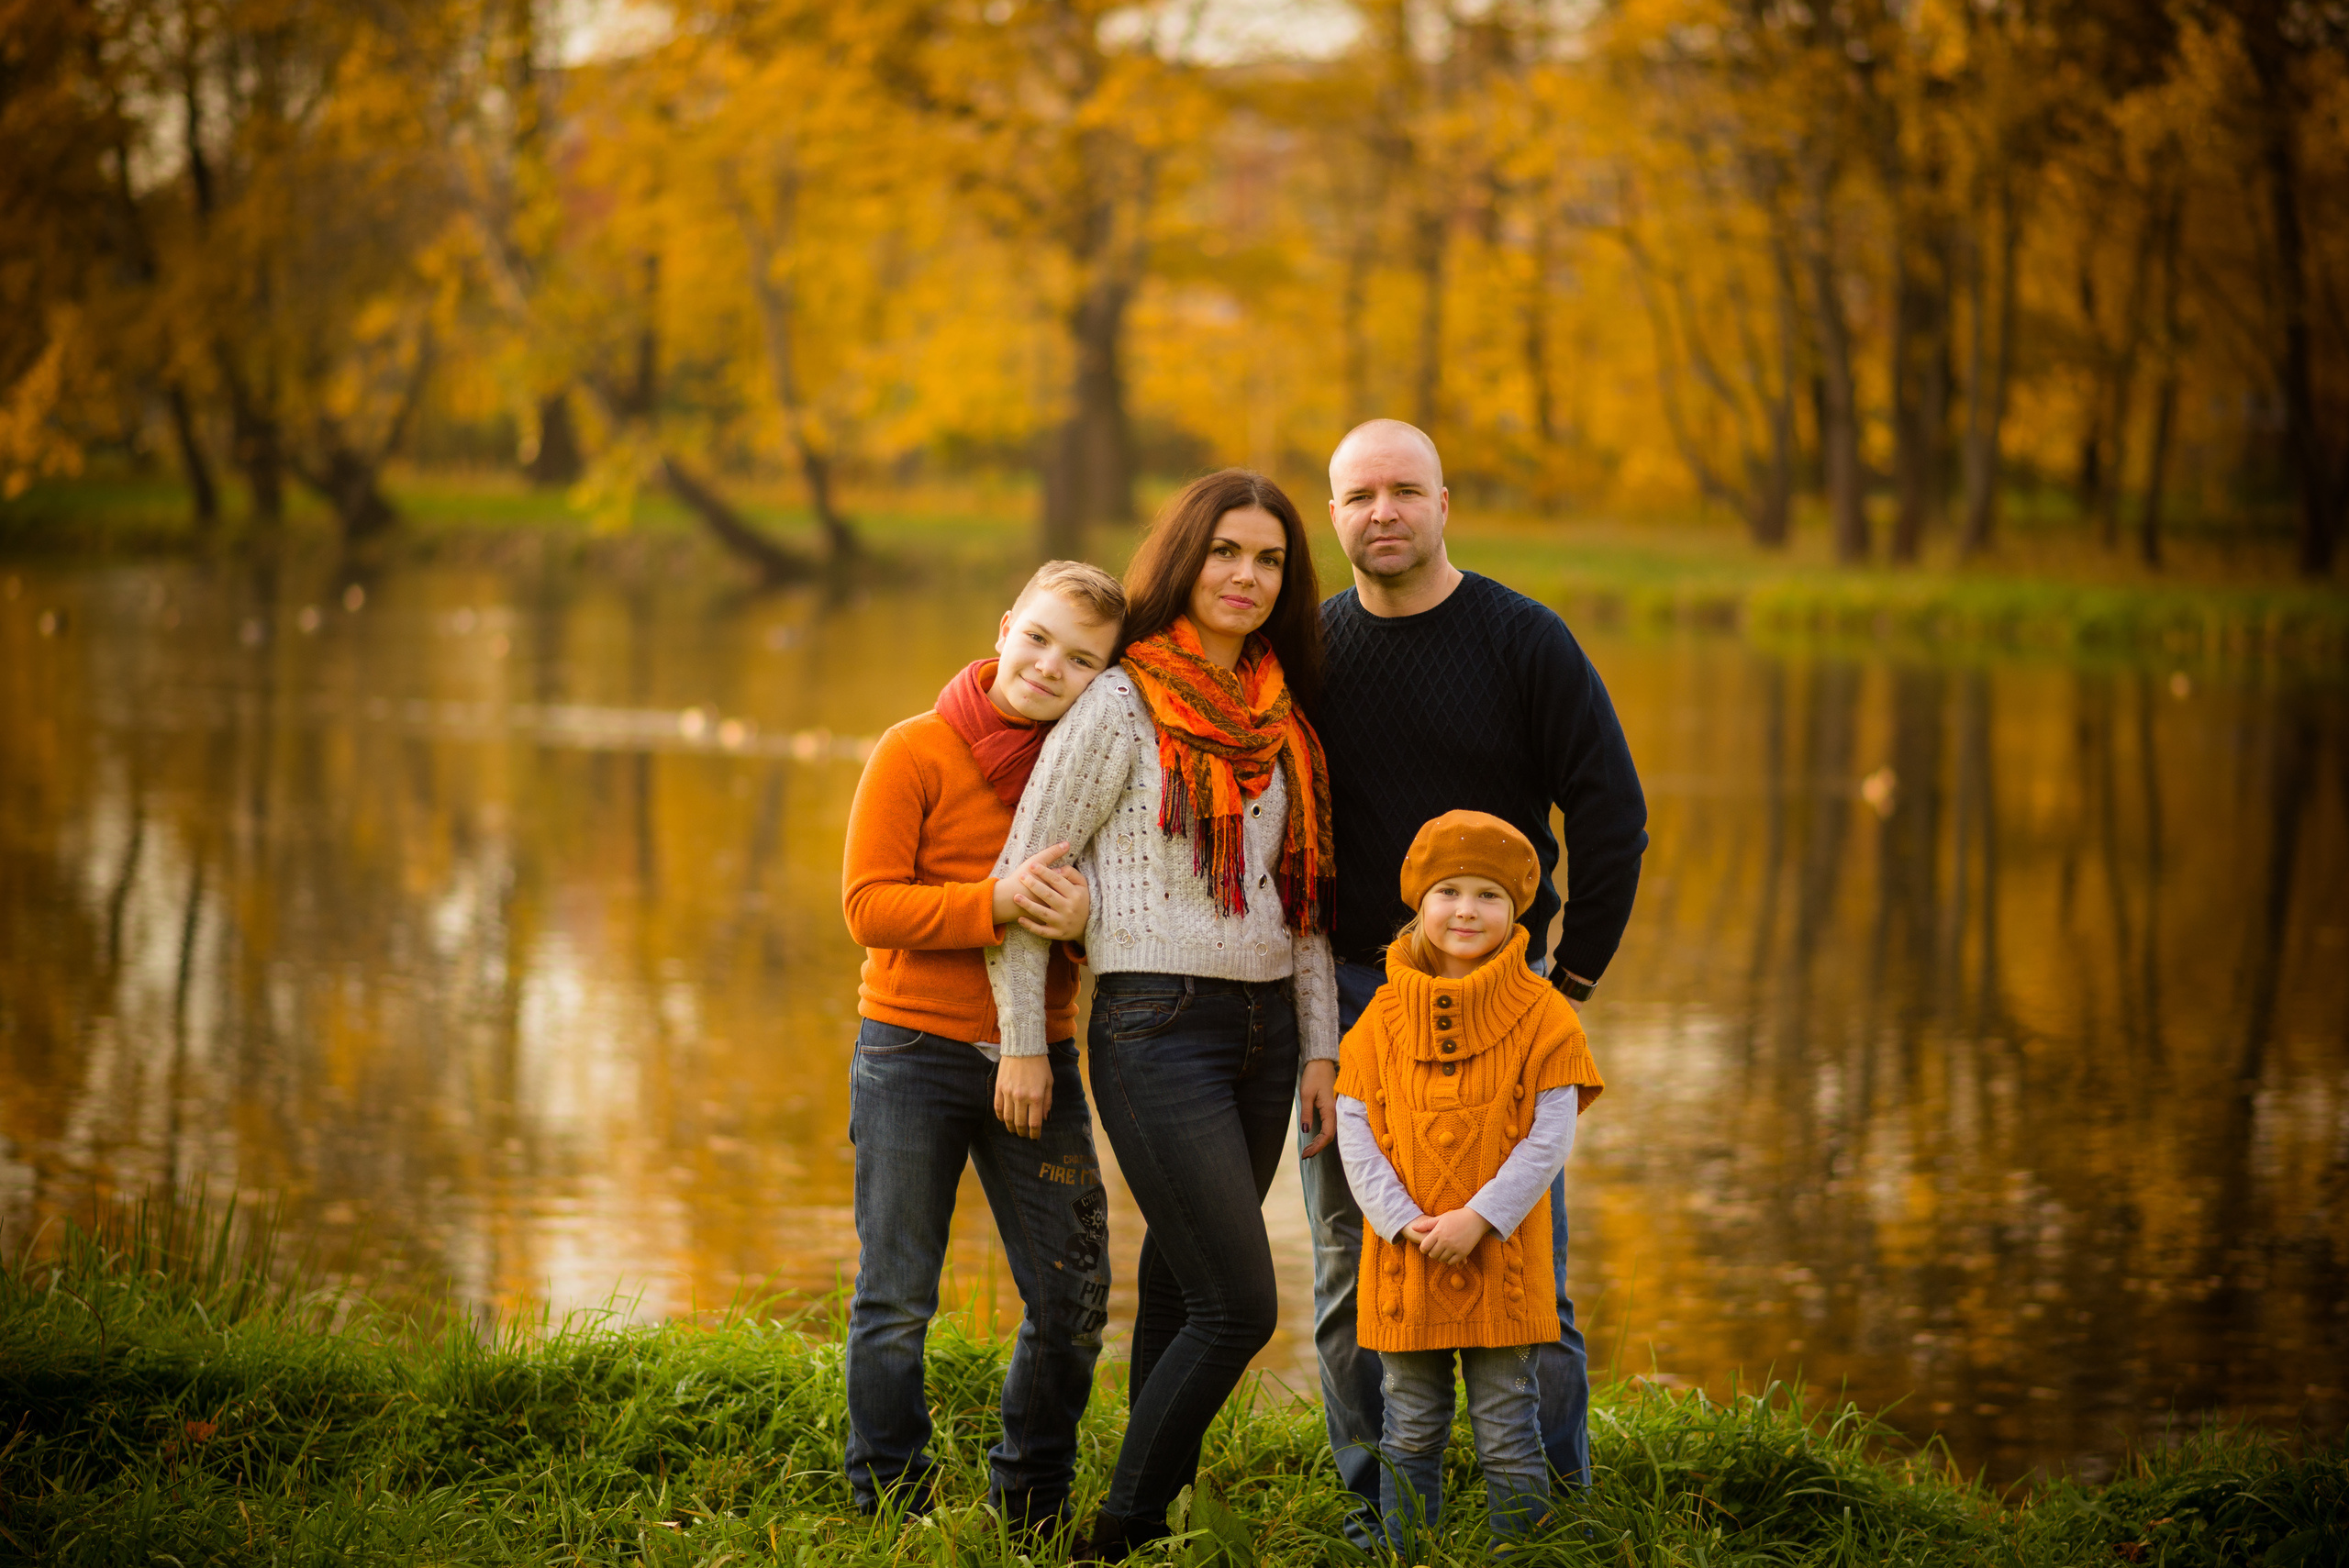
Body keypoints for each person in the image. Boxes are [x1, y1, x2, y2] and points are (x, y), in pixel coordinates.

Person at [987, 470, 1341, 1560]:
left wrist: (1321, 1044)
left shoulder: (1283, 715)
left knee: (1187, 1288)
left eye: (1269, 558)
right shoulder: (1115, 700)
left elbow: (1302, 899)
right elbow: (1025, 881)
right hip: (1154, 1024)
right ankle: (1118, 1530)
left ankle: (1152, 1526)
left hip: (1264, 1032)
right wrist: (1020, 1042)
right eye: (1225, 550)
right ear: (1184, 557)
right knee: (1242, 1306)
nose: (1246, 575)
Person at [1305, 418, 1647, 1533]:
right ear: (1334, 512)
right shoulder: (1310, 651)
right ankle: (1381, 1514)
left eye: (1405, 490)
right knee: (1355, 1269)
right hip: (1359, 998)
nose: (1382, 513)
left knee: (1524, 1264)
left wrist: (1572, 976)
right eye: (1359, 496)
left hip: (1506, 999)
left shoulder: (1522, 639)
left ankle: (1553, 1514)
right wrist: (1311, 1020)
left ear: (1446, 502)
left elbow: (1609, 811)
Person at [838, 560, 1128, 1535]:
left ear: (1106, 679)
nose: (1050, 667)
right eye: (1039, 638)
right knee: (895, 1297)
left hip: (1038, 1055)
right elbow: (867, 905)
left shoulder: (1093, 775)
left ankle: (1031, 1500)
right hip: (908, 1050)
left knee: (1075, 1292)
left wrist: (1092, 923)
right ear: (1006, 626)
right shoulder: (915, 750)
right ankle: (888, 1497)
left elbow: (1111, 925)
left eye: (1083, 659)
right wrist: (994, 903)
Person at [1334, 811, 1605, 1551]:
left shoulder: (1545, 1014)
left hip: (1501, 1263)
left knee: (1507, 1426)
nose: (1465, 909)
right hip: (1407, 1261)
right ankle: (1407, 1549)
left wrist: (1480, 1218)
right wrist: (1400, 1220)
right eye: (1448, 890)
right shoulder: (1381, 1016)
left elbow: (1550, 1135)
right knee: (1411, 1426)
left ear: (1516, 908)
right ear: (1419, 903)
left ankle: (1519, 1548)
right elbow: (1354, 1127)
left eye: (1488, 893)